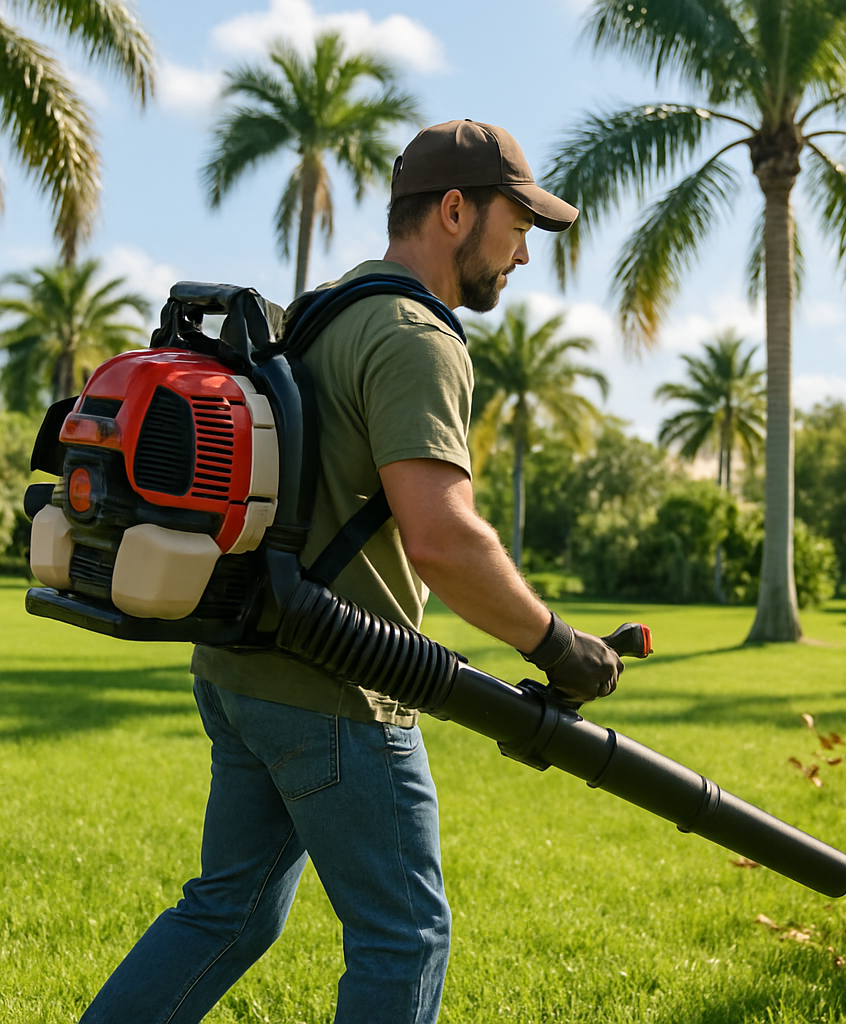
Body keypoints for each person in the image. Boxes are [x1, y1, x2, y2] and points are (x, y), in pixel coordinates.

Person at [79, 120, 623, 1024]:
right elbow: (442, 539)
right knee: (403, 935)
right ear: (456, 211)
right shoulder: (416, 337)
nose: (526, 254)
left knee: (228, 912)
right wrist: (561, 648)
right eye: (518, 225)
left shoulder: (326, 308)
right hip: (339, 698)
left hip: (243, 671)